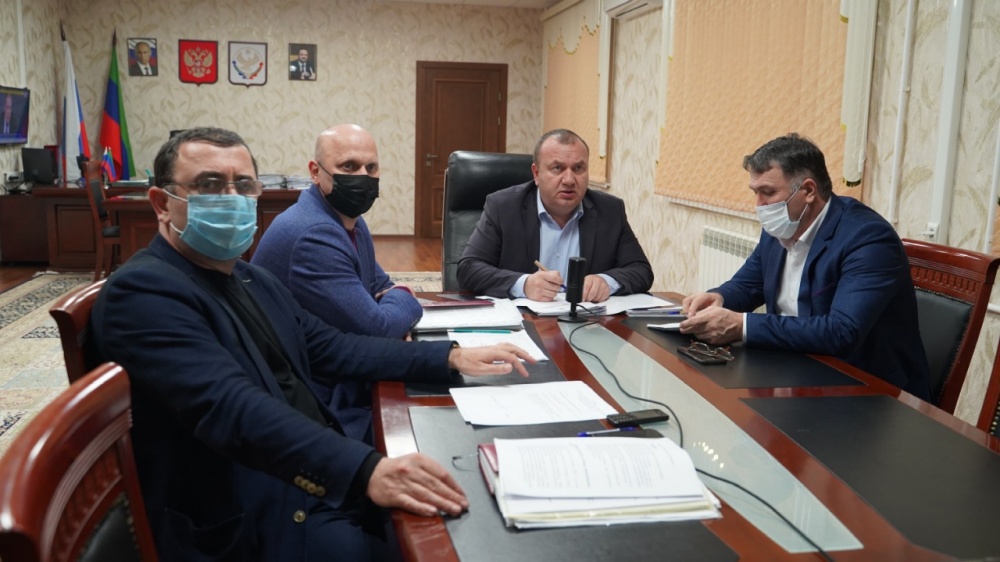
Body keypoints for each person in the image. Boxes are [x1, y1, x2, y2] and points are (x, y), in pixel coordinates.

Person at [90, 127, 534, 561]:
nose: (231, 198)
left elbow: (333, 347)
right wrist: (364, 470)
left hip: (304, 469)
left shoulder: (247, 277)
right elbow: (232, 408)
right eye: (209, 185)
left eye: (243, 185)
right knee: (447, 538)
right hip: (252, 512)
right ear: (162, 204)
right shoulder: (144, 292)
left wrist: (449, 356)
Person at [679, 133, 931, 400]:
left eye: (768, 193)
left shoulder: (867, 238)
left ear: (809, 191)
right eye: (755, 193)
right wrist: (719, 297)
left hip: (868, 392)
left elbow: (841, 331)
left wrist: (742, 325)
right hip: (796, 369)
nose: (759, 206)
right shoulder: (781, 226)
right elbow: (749, 283)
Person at [252, 123, 419, 441]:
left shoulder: (349, 220)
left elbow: (379, 283)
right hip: (319, 401)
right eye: (349, 166)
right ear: (316, 172)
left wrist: (389, 300)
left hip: (344, 366)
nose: (363, 177)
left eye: (371, 167)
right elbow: (379, 328)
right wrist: (405, 293)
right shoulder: (314, 234)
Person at [457, 128, 653, 302]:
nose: (569, 180)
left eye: (578, 168)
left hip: (586, 322)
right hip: (524, 322)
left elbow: (641, 270)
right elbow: (468, 268)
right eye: (557, 168)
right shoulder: (504, 207)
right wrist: (524, 285)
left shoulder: (609, 210)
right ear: (536, 173)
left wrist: (606, 282)